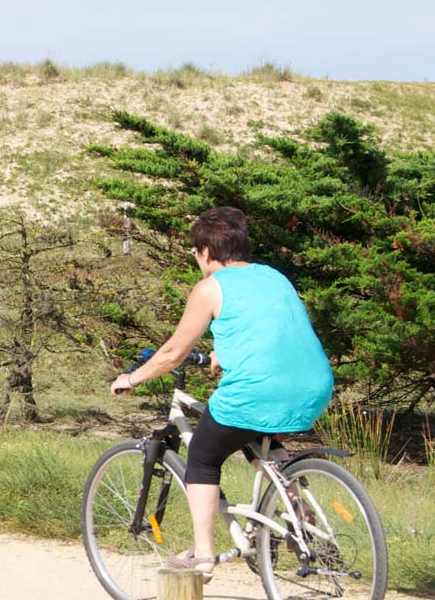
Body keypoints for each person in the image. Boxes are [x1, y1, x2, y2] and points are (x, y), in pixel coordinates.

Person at [108, 206, 332, 580]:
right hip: (313, 385)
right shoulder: (274, 277)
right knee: (260, 438)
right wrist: (221, 354)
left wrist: (131, 379)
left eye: (196, 253)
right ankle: (300, 518)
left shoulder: (210, 288)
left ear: (205, 252)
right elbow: (270, 331)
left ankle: (204, 554)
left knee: (203, 456)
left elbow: (172, 354)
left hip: (257, 389)